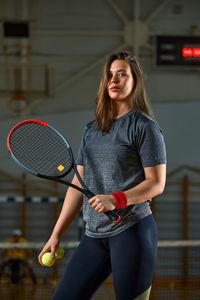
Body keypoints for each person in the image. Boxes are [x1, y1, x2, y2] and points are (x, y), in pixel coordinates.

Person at [38, 52, 166, 300]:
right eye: (109, 75)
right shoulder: (92, 130)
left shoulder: (144, 127)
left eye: (122, 74)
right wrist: (55, 235)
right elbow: (77, 184)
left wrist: (115, 199)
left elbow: (156, 183)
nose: (114, 80)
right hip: (94, 237)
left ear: (135, 81)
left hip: (132, 230)